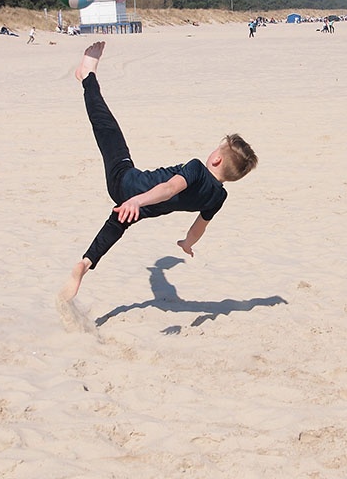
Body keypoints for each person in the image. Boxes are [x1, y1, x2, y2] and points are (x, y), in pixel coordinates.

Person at [58, 41, 258, 304]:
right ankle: (86, 263)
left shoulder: (197, 168)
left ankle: (88, 75)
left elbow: (169, 188)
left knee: (107, 127)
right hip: (141, 208)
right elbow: (199, 228)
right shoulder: (218, 198)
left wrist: (136, 199)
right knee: (116, 226)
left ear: (217, 159)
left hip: (129, 185)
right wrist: (187, 244)